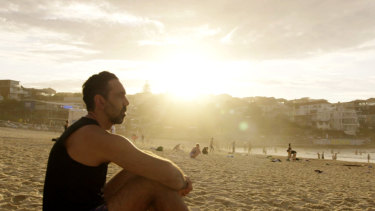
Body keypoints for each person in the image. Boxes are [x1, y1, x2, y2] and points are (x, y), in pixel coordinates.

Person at [43, 71, 192, 211]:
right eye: (120, 96)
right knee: (153, 184)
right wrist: (183, 182)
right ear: (100, 101)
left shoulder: (85, 129)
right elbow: (171, 177)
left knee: (142, 170)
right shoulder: (93, 136)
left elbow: (150, 164)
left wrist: (176, 179)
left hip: (89, 204)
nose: (127, 102)